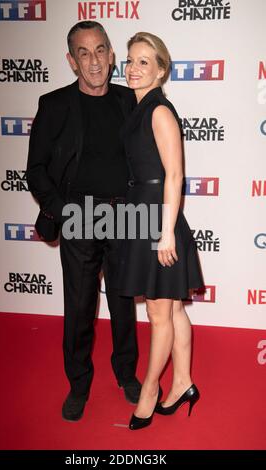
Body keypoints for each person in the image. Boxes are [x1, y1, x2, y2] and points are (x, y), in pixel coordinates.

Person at [26, 21, 141, 422]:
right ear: (71, 60)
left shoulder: (132, 101)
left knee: (124, 301)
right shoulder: (54, 103)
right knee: (79, 304)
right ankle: (78, 384)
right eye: (84, 52)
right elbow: (36, 169)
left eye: (101, 50)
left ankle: (127, 373)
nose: (94, 61)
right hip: (79, 214)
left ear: (112, 55)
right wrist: (61, 209)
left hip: (125, 215)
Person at [117, 32, 204, 430]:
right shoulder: (137, 108)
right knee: (173, 307)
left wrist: (166, 232)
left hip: (157, 218)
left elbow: (175, 174)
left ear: (161, 69)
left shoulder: (159, 111)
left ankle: (150, 388)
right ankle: (183, 380)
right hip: (143, 213)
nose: (133, 68)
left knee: (158, 311)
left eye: (144, 62)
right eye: (131, 60)